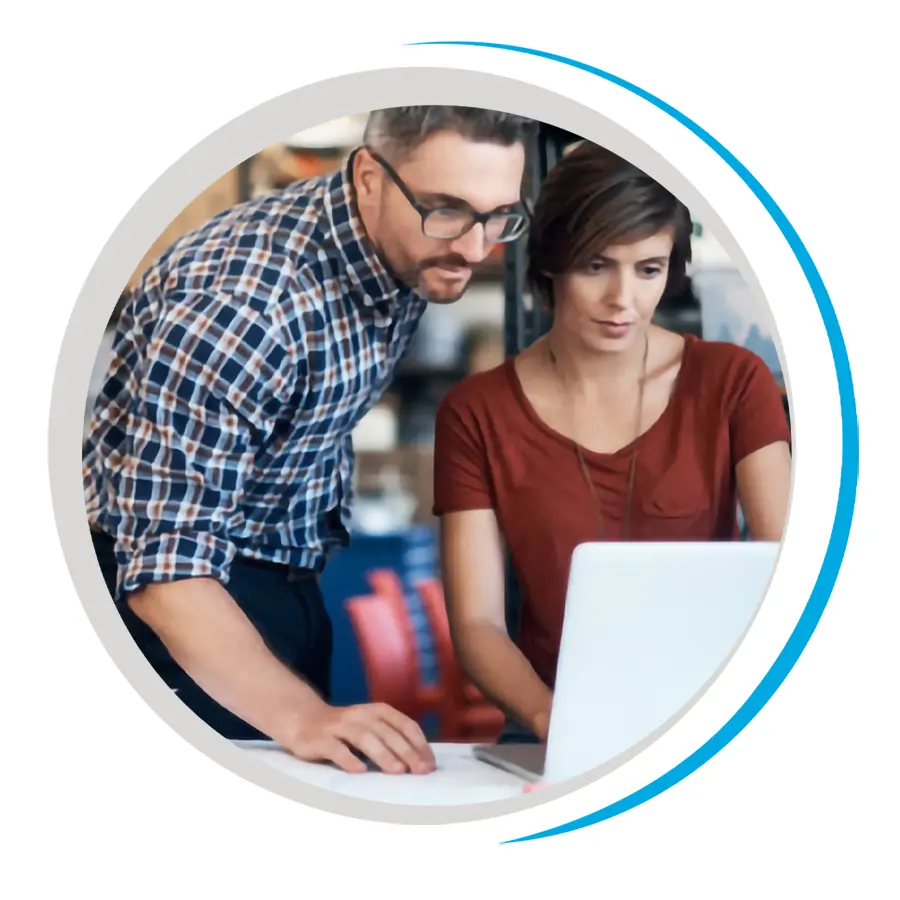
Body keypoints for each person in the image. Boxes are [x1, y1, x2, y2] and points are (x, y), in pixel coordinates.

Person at [83, 106, 536, 773]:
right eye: (446, 210)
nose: (474, 247)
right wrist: (301, 715)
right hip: (180, 613)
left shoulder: (408, 248)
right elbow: (165, 570)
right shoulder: (245, 305)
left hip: (289, 580)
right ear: (370, 177)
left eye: (498, 216)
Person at [432, 140, 792, 745]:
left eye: (648, 269)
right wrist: (560, 724)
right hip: (549, 721)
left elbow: (789, 570)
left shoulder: (732, 382)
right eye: (596, 265)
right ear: (549, 262)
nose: (622, 300)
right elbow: (477, 625)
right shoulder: (476, 413)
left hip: (714, 716)